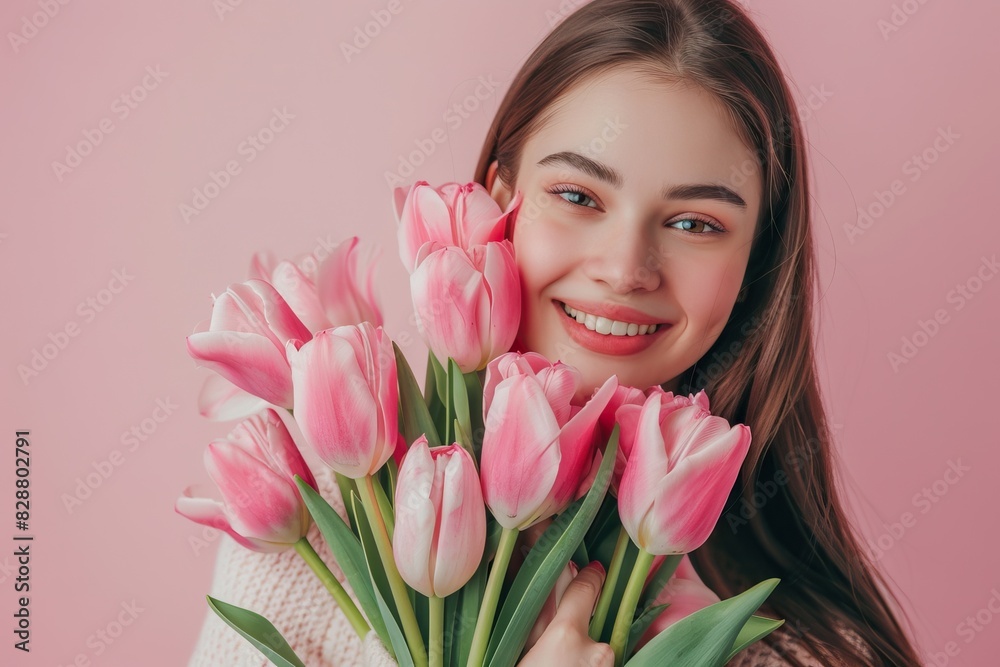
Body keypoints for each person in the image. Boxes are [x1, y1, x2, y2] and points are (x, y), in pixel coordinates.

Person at [186, 1, 923, 665]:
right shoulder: (316, 529)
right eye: (576, 195)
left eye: (696, 223)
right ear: (500, 200)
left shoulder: (797, 652)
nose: (626, 267)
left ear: (756, 258)